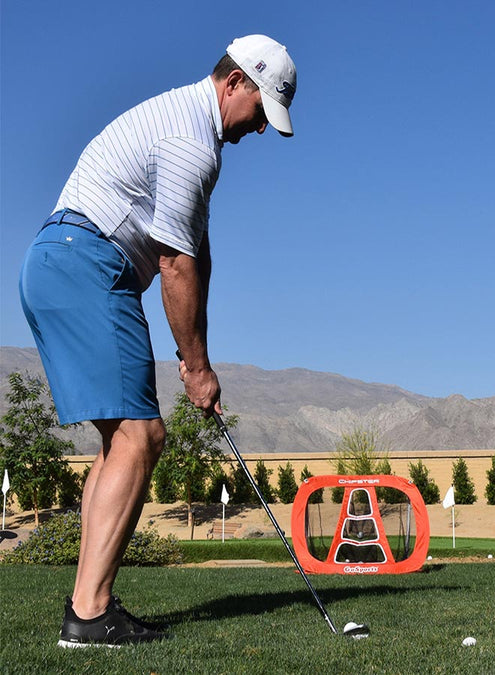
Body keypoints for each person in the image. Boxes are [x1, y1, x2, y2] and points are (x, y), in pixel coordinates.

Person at [19, 34, 297, 648]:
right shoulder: (189, 143)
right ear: (234, 84)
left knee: (122, 439)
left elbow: (197, 255)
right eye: (260, 112)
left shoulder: (192, 131)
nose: (258, 131)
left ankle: (89, 604)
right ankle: (89, 615)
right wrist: (195, 368)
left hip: (66, 263)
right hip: (85, 263)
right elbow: (175, 263)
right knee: (144, 435)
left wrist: (199, 356)